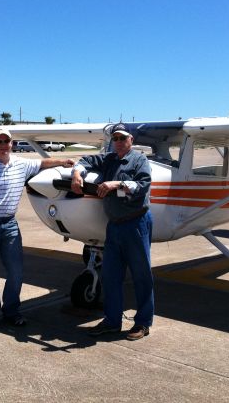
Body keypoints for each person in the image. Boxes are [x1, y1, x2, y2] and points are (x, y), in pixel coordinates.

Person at [0, 129, 74, 328]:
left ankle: (11, 311)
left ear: (12, 143)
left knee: (16, 272)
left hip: (10, 224)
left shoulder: (20, 163)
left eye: (7, 141)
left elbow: (42, 163)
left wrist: (63, 161)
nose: (3, 144)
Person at [71, 123, 153, 340]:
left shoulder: (139, 160)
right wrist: (77, 175)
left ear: (131, 140)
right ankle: (112, 321)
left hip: (136, 223)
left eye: (122, 138)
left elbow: (142, 185)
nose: (118, 142)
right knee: (111, 275)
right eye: (115, 138)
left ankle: (143, 323)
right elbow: (84, 161)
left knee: (141, 275)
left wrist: (116, 184)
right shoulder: (108, 158)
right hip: (114, 225)